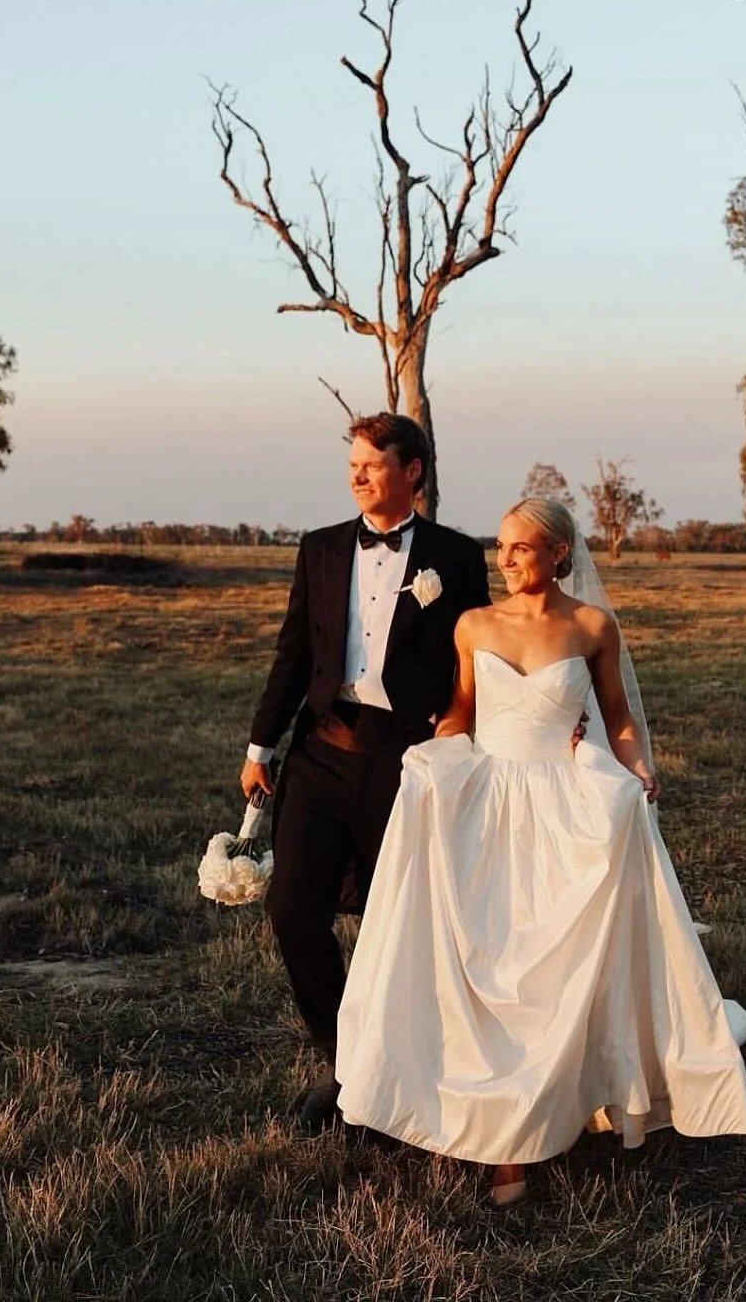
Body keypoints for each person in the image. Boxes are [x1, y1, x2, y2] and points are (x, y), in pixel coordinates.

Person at [334, 497, 746, 1204]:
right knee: (492, 957)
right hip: (489, 800)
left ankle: (550, 1106)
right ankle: (500, 1137)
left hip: (561, 800)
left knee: (549, 966)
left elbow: (618, 721)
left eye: (522, 549)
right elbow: (464, 712)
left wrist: (637, 769)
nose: (507, 561)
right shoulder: (474, 625)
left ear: (561, 552)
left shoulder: (594, 626)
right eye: (501, 547)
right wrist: (434, 764)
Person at [242, 413, 489, 1132]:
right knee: (292, 910)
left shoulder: (456, 557)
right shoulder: (318, 549)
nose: (356, 475)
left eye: (372, 464)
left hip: (405, 761)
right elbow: (293, 651)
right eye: (351, 463)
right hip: (319, 752)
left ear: (413, 471)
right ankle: (340, 1058)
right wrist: (261, 748)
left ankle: (400, 1072)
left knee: (396, 924)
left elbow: (482, 659)